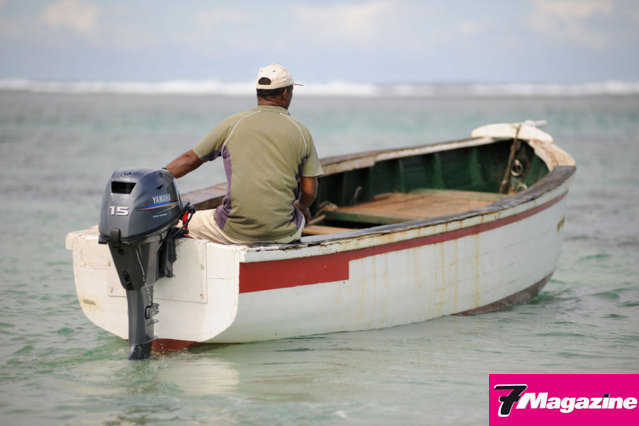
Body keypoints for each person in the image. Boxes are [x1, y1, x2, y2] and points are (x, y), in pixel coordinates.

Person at [165, 64, 323, 244]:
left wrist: (156, 178)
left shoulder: (233, 123)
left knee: (177, 223)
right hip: (283, 232)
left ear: (258, 92)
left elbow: (189, 161)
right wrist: (302, 206)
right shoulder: (302, 132)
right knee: (300, 215)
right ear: (286, 93)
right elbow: (309, 191)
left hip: (232, 230)